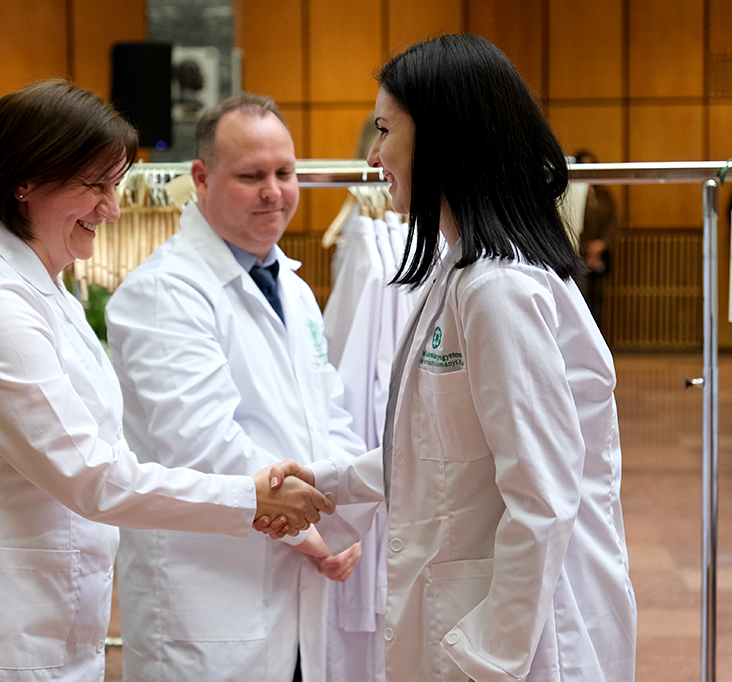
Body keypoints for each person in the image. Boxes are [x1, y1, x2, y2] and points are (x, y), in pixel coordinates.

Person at [0, 80, 335, 682]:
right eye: (95, 186)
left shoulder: (48, 289)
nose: (113, 209)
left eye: (113, 186)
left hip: (51, 615)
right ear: (25, 182)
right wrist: (252, 498)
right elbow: (90, 473)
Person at [268, 34, 637, 682]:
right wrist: (329, 483)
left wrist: (489, 656)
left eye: (385, 131)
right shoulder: (460, 273)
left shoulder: (499, 291)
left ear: (443, 137)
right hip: (468, 618)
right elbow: (438, 447)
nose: (374, 156)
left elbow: (544, 498)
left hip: (516, 645)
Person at [104, 93, 370, 682]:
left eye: (285, 173)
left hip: (297, 594)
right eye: (252, 176)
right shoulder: (162, 292)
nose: (274, 192)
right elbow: (204, 446)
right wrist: (318, 532)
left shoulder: (293, 287)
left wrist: (346, 517)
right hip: (209, 603)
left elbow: (330, 415)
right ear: (202, 178)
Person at [572, 149, 619, 330]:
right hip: (577, 255)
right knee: (580, 298)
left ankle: (598, 337)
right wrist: (586, 248)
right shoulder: (571, 195)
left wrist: (601, 244)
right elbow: (570, 223)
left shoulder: (603, 195)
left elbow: (612, 223)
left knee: (598, 299)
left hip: (600, 255)